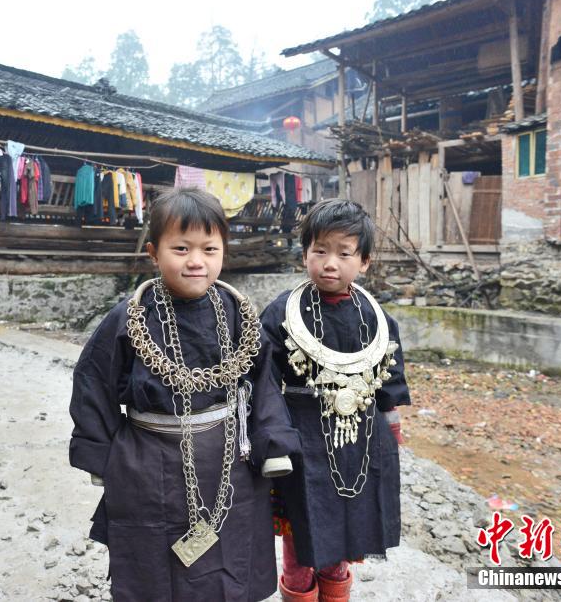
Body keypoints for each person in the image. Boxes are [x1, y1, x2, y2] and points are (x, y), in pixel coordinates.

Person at [69, 187, 300, 601]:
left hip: (229, 458)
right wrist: (98, 452)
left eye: (209, 249)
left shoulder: (238, 315)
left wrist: (273, 444)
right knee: (155, 562)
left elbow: (263, 384)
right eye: (181, 248)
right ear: (154, 254)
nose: (196, 261)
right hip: (148, 462)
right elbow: (93, 381)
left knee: (230, 554)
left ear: (223, 252)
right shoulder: (129, 318)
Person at [255, 199, 410, 602]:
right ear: (304, 252)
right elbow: (262, 380)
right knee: (300, 535)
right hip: (299, 439)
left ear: (365, 262)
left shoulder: (377, 319)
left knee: (345, 532)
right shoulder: (280, 313)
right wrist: (270, 436)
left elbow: (388, 379)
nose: (330, 263)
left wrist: (391, 428)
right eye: (320, 250)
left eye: (344, 253)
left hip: (357, 441)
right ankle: (299, 592)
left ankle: (337, 592)